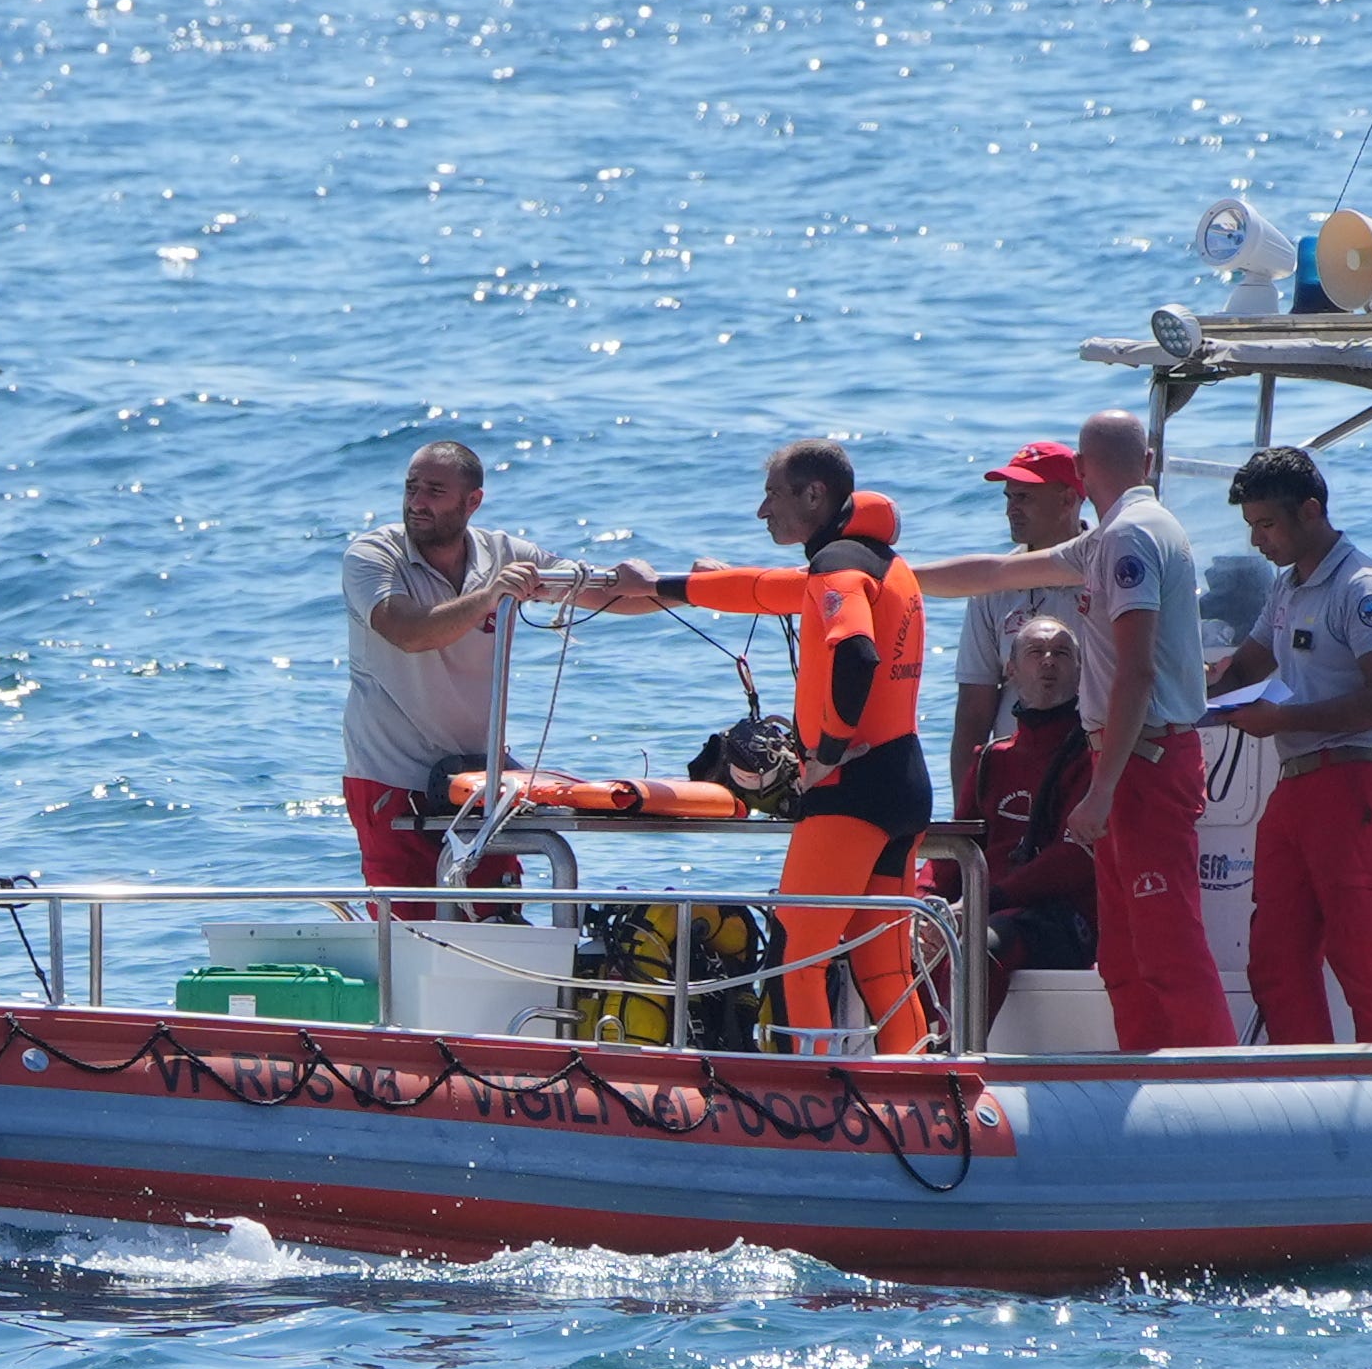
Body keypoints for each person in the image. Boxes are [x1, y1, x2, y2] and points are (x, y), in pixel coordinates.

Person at [609, 439, 933, 1055]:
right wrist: (665, 585)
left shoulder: (837, 565)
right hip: (903, 783)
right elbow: (762, 589)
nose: (763, 512)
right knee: (881, 964)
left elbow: (856, 653)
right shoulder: (880, 562)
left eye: (774, 496)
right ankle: (915, 1089)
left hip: (851, 792)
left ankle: (807, 1098)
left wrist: (828, 754)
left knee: (796, 956)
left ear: (815, 495)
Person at [1211, 442, 1372, 1043]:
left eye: (1267, 524)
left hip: (1357, 781)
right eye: (1252, 526)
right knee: (1275, 958)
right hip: (1298, 783)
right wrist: (1173, 686)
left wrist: (1285, 719)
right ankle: (1308, 1080)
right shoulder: (1286, 587)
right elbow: (1244, 668)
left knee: (1361, 956)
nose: (1257, 542)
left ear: (1309, 511)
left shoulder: (1362, 585)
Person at [1065, 407, 1226, 1051]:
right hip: (1129, 759)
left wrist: (1101, 790)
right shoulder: (1116, 533)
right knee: (1126, 954)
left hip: (1141, 763)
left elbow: (1135, 672)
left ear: (1078, 472)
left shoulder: (1128, 536)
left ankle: (1214, 1087)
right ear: (1150, 463)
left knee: (1167, 946)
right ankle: (1143, 1071)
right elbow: (998, 572)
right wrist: (895, 576)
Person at [338, 439, 561, 901]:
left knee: (501, 921)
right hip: (391, 778)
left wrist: (680, 587)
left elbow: (600, 590)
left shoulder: (504, 553)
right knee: (411, 934)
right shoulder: (373, 555)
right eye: (411, 488)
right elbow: (407, 631)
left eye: (434, 491)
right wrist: (490, 596)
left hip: (479, 780)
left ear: (472, 501)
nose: (416, 502)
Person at [955, 608, 1107, 1017]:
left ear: (1080, 671)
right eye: (1036, 652)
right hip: (992, 908)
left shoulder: (1091, 757)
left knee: (980, 946)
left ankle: (954, 1064)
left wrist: (987, 901)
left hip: (1060, 920)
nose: (1048, 662)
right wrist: (924, 903)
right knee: (906, 934)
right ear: (1010, 670)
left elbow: (1075, 857)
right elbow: (957, 849)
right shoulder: (991, 759)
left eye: (1061, 653)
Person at [942, 440, 1093, 789]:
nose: (1011, 510)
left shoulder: (1109, 570)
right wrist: (966, 813)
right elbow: (973, 711)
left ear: (1068, 500)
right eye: (1008, 498)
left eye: (1024, 497)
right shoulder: (993, 585)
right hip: (1016, 776)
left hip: (1091, 769)